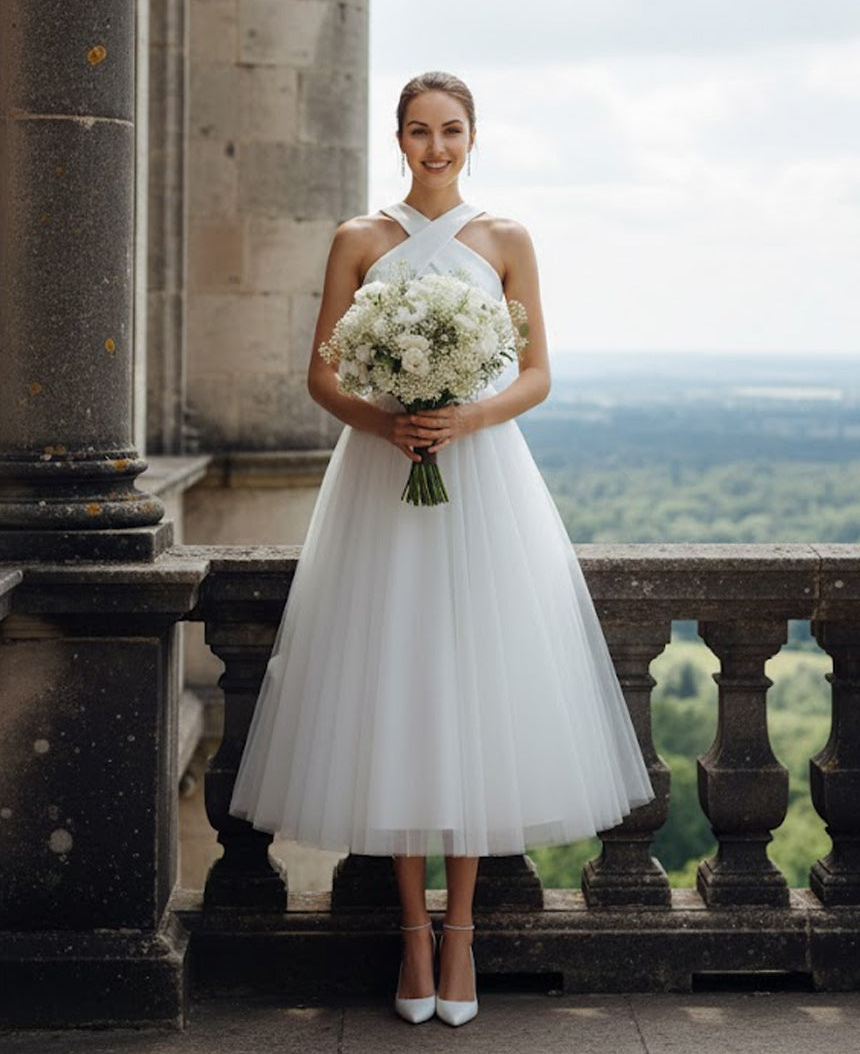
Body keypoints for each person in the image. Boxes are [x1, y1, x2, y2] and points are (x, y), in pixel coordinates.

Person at [229, 70, 655, 1025]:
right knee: (394, 684)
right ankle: (410, 934)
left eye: (451, 131)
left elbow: (539, 372)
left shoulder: (506, 240)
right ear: (398, 138)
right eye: (419, 131)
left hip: (482, 478)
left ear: (474, 136)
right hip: (383, 481)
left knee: (473, 686)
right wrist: (386, 426)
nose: (436, 147)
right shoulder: (358, 240)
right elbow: (324, 373)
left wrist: (464, 415)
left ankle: (458, 930)